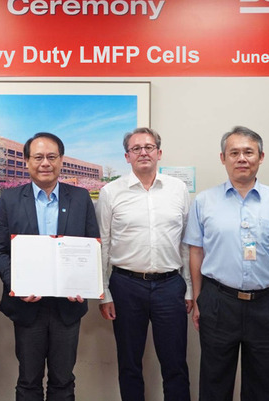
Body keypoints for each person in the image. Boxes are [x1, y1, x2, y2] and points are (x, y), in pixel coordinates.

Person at [183, 126, 269, 401]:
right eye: (234, 152)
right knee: (214, 384)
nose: (241, 158)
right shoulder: (204, 201)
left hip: (265, 305)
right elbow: (196, 252)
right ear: (223, 158)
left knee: (262, 385)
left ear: (260, 157)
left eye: (248, 152)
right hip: (218, 302)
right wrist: (199, 299)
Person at [0, 132, 100, 401]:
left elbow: (92, 246)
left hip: (68, 306)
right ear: (27, 161)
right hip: (27, 306)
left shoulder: (80, 198)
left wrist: (83, 283)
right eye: (38, 157)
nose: (45, 163)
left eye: (51, 157)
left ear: (61, 160)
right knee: (28, 381)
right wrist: (17, 283)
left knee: (63, 381)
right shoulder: (9, 199)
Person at [96, 128, 192, 401]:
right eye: (136, 148)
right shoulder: (110, 192)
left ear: (159, 153)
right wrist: (104, 292)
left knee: (175, 363)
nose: (143, 153)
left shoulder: (178, 189)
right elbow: (103, 244)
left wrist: (188, 287)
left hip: (170, 286)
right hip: (125, 286)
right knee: (129, 363)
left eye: (149, 147)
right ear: (127, 156)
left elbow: (186, 243)